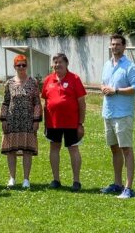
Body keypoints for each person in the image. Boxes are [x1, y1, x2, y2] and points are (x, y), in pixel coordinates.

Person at [99, 33, 135, 200]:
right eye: (113, 44)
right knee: (114, 149)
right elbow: (103, 82)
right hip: (108, 112)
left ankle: (128, 188)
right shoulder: (107, 65)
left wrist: (116, 91)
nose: (115, 47)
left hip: (123, 114)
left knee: (126, 150)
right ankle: (117, 184)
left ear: (124, 47)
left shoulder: (130, 67)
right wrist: (103, 88)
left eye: (118, 44)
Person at [41, 52, 87, 192]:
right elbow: (45, 102)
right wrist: (45, 123)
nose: (57, 65)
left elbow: (82, 103)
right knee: (54, 148)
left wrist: (80, 124)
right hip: (53, 123)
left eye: (60, 62)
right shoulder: (48, 80)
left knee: (73, 150)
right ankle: (56, 179)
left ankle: (76, 181)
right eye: (55, 62)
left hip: (71, 123)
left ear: (66, 64)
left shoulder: (75, 79)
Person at [0, 54, 42, 189]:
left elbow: (37, 102)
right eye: (19, 65)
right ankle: (12, 178)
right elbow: (5, 102)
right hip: (12, 121)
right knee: (11, 151)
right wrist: (3, 119)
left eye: (24, 65)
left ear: (27, 66)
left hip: (28, 121)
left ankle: (26, 179)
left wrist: (36, 120)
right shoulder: (9, 83)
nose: (21, 67)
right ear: (14, 67)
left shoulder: (33, 82)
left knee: (27, 151)